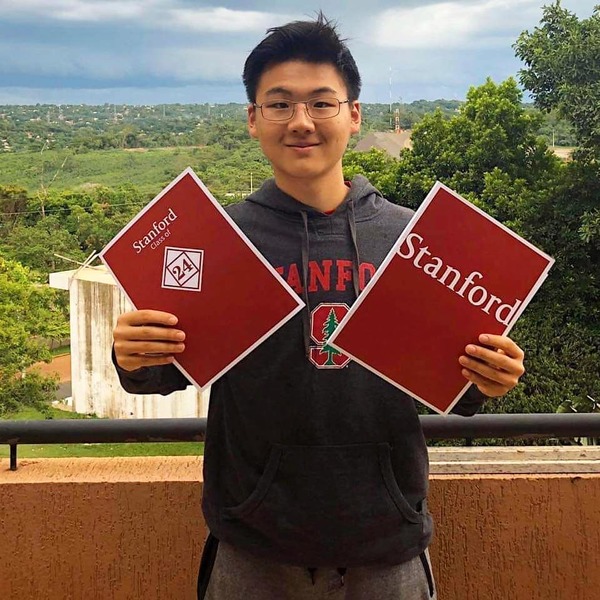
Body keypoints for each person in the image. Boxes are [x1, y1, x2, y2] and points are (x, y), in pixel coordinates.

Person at [112, 13, 525, 600]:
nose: (301, 122)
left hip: (387, 544)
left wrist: (492, 376)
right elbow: (157, 375)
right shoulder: (215, 242)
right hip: (254, 547)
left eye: (321, 103)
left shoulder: (415, 244)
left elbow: (459, 393)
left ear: (354, 115)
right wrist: (131, 354)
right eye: (279, 104)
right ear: (253, 120)